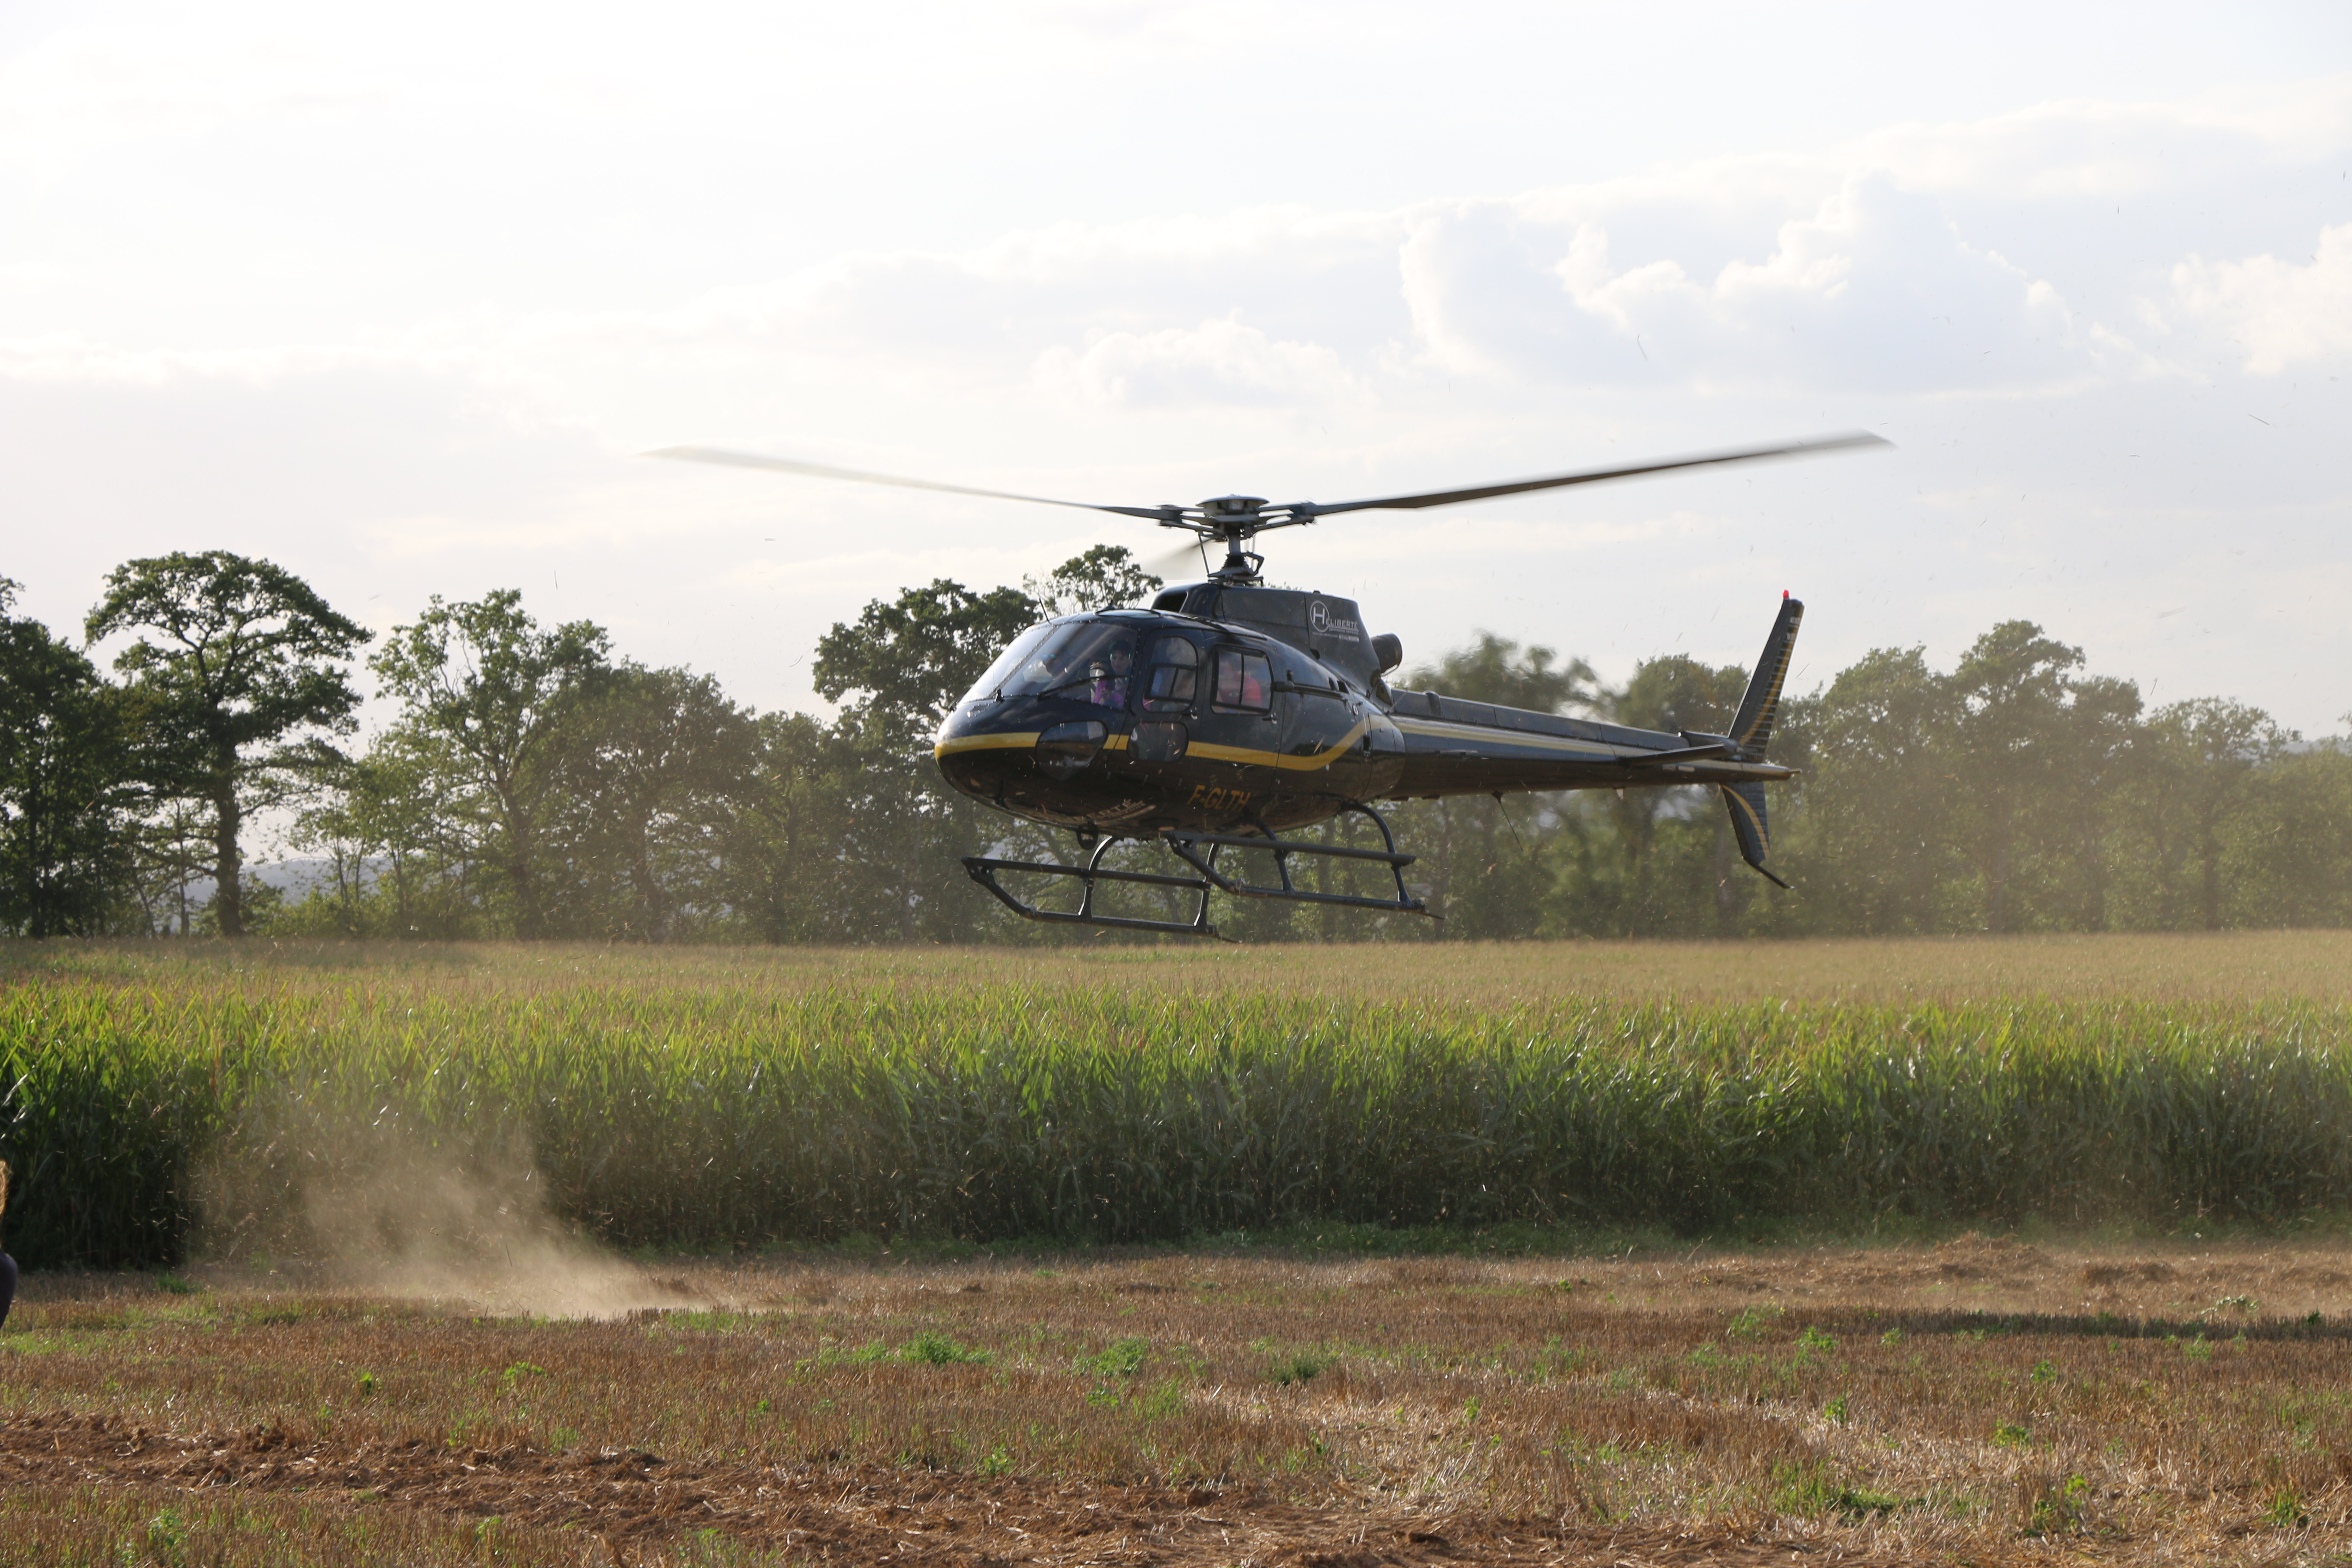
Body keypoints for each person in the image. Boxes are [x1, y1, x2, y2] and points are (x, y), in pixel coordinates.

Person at [1089, 643, 1134, 707]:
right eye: (1114, 658)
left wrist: (1121, 694)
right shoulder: (1104, 681)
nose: (1116, 663)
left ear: (1130, 661)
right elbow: (1096, 705)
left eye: (1121, 659)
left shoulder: (1135, 681)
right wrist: (1103, 699)